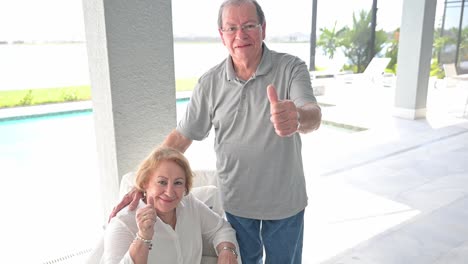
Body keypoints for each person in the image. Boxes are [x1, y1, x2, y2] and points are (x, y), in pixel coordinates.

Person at [110, 0, 322, 263]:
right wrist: (140, 182)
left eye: (249, 26)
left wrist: (298, 117)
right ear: (222, 35)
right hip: (237, 205)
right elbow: (180, 138)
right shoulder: (209, 83)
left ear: (263, 29)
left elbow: (313, 114)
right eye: (231, 28)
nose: (240, 35)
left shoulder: (291, 68)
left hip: (285, 203)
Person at [102, 147, 239, 263]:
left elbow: (221, 228)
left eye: (178, 183)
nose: (169, 192)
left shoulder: (189, 204)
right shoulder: (123, 223)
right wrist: (143, 237)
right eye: (162, 182)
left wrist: (227, 250)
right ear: (145, 182)